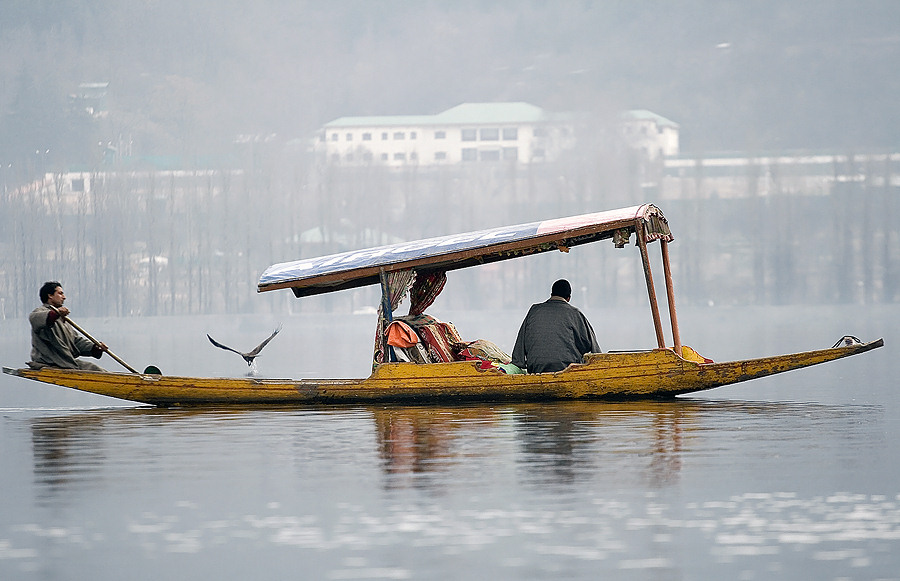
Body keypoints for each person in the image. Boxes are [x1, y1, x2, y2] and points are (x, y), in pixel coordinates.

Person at [511, 279, 601, 374]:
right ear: (568, 298)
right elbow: (594, 349)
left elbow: (520, 346)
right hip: (567, 370)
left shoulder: (534, 310)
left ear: (551, 294)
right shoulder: (575, 313)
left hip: (537, 370)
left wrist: (518, 362)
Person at [28, 281, 107, 371]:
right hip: (48, 361)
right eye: (60, 293)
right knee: (96, 371)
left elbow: (76, 342)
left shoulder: (63, 321)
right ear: (50, 295)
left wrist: (96, 347)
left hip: (65, 362)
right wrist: (55, 314)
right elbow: (35, 318)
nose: (64, 297)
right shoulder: (40, 312)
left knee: (98, 370)